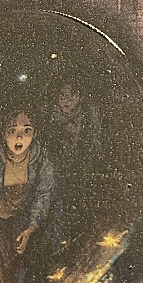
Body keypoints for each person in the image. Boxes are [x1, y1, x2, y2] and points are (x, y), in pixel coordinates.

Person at [0, 107, 55, 283]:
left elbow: (44, 194)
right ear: (3, 134)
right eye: (12, 131)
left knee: (27, 266)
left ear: (35, 133)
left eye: (26, 130)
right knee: (1, 264)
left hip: (25, 218)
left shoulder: (41, 159)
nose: (19, 137)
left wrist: (31, 227)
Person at [45, 79, 101, 245]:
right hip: (56, 170)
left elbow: (93, 143)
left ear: (80, 98)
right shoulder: (50, 117)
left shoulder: (87, 117)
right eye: (62, 96)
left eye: (72, 96)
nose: (66, 101)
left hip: (80, 169)